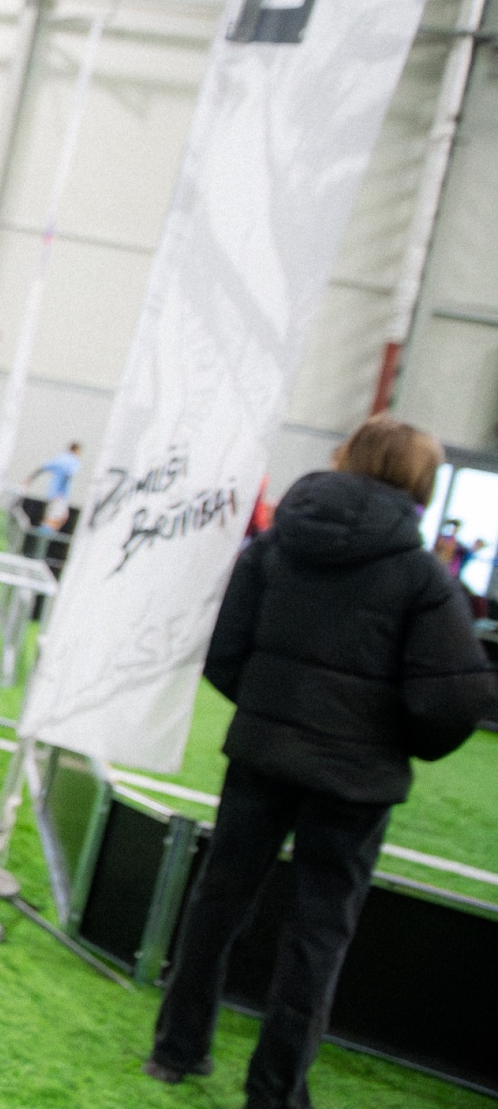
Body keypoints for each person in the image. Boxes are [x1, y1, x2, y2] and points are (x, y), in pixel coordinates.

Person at [147, 416, 497, 1106]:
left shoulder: (277, 546)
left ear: (349, 457)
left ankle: (175, 1050)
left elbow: (222, 648)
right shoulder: (421, 576)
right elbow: (457, 697)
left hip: (263, 758)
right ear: (421, 480)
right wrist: (396, 742)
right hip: (354, 783)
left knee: (219, 903)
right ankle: (275, 1092)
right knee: (319, 936)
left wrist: (269, 710)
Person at [28, 439, 83, 529]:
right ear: (76, 450)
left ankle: (43, 531)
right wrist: (60, 492)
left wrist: (30, 479)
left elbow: (43, 467)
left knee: (58, 517)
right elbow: (68, 475)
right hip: (60, 495)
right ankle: (43, 533)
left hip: (53, 493)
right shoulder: (74, 461)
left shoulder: (60, 458)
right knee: (57, 519)